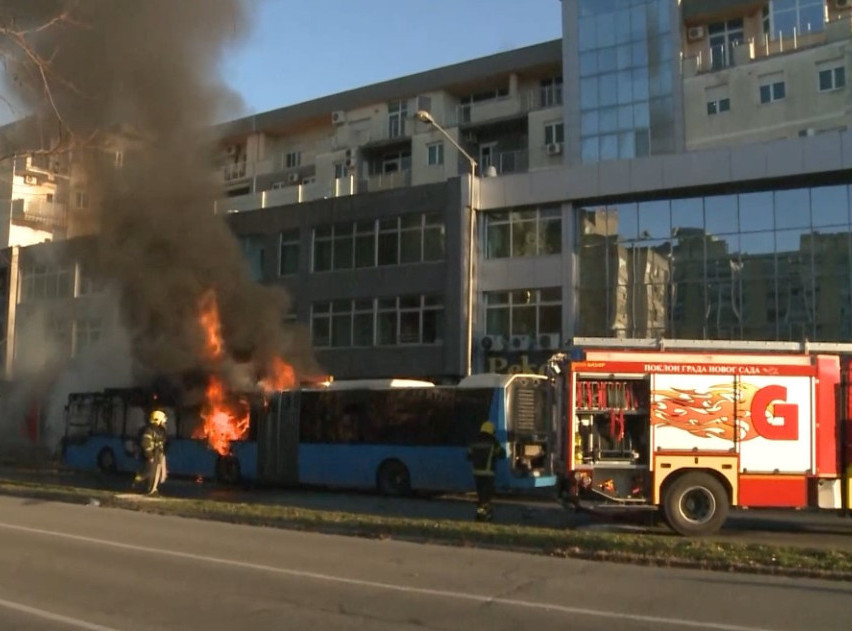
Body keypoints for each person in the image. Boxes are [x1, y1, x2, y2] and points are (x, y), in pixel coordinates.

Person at [466, 420, 505, 522]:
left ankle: (480, 514)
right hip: (488, 474)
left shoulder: (474, 441)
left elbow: (468, 456)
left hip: (476, 473)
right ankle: (483, 516)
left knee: (480, 495)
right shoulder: (493, 442)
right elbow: (502, 454)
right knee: (486, 497)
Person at [133, 409, 168, 495]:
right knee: (149, 473)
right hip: (150, 456)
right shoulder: (149, 430)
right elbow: (146, 443)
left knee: (155, 474)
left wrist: (162, 458)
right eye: (162, 420)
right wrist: (150, 456)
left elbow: (162, 444)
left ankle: (153, 489)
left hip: (157, 455)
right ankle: (141, 485)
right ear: (157, 420)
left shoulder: (161, 431)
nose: (164, 423)